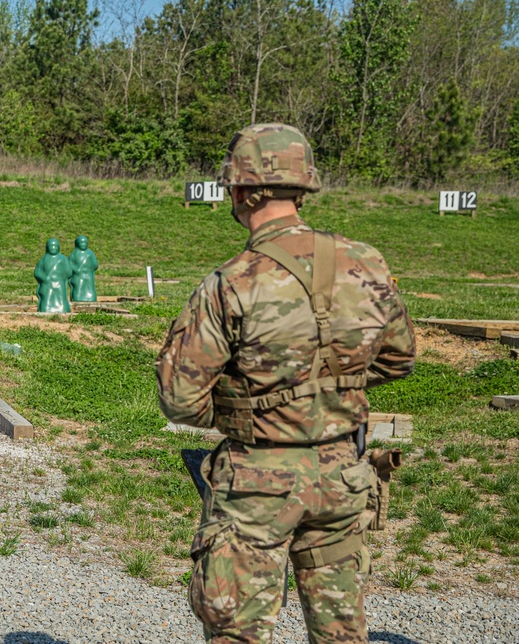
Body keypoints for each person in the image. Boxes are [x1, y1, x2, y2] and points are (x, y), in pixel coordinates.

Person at [155, 124, 415, 644]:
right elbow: (399, 358)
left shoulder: (231, 281)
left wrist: (252, 409)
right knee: (342, 633)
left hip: (258, 483)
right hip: (343, 475)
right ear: (301, 188)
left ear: (243, 191)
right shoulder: (366, 263)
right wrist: (331, 395)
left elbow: (179, 398)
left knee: (239, 633)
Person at [34, 238, 73, 313]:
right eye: (51, 246)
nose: (53, 248)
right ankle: (45, 309)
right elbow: (37, 272)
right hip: (47, 284)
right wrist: (44, 278)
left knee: (61, 298)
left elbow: (69, 271)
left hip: (59, 283)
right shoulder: (44, 259)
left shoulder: (63, 259)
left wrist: (62, 277)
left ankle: (63, 309)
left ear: (58, 247)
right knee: (47, 297)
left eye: (55, 246)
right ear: (47, 247)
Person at [68, 235, 98, 302]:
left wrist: (90, 269)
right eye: (81, 243)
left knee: (90, 288)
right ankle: (77, 298)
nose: (83, 244)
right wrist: (76, 270)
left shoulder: (90, 253)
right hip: (78, 276)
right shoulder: (74, 254)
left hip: (88, 275)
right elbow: (69, 264)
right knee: (78, 288)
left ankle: (91, 298)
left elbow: (95, 264)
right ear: (77, 244)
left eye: (85, 243)